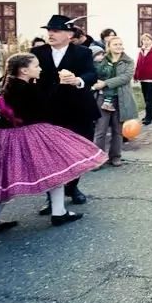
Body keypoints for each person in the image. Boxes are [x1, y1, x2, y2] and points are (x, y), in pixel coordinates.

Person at [0, 53, 106, 241]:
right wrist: (61, 86)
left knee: (4, 182)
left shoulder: (10, 84)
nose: (40, 69)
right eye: (36, 66)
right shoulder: (24, 89)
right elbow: (45, 108)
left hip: (3, 135)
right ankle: (58, 213)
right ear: (24, 70)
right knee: (54, 169)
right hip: (23, 135)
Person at [31, 15, 101, 211]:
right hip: (48, 112)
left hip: (78, 110)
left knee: (77, 153)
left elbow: (91, 74)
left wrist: (78, 80)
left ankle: (72, 187)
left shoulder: (82, 52)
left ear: (69, 34)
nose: (51, 34)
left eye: (56, 31)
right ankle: (52, 197)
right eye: (49, 31)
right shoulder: (37, 52)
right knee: (49, 156)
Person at [92, 37, 138, 168]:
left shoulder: (128, 61)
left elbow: (125, 78)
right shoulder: (102, 60)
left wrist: (105, 83)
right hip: (103, 99)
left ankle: (115, 157)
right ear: (109, 46)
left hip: (121, 99)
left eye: (120, 44)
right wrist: (97, 64)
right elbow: (96, 74)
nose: (119, 46)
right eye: (115, 44)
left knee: (118, 131)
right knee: (101, 130)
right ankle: (98, 159)